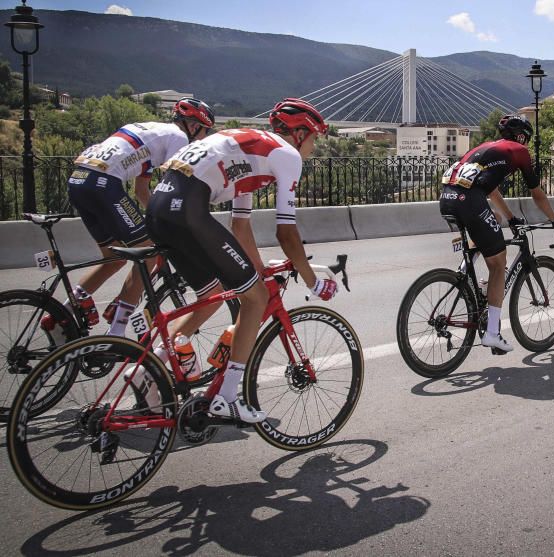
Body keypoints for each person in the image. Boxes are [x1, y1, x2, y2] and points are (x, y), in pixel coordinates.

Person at [143, 98, 337, 422]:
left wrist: (258, 270)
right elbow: (286, 234)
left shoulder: (250, 152)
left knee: (212, 293)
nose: (314, 148)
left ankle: (151, 364)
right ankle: (228, 397)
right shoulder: (287, 155)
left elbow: (240, 225)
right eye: (314, 138)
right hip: (188, 208)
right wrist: (313, 282)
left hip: (159, 208)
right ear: (299, 133)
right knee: (257, 299)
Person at [46, 98, 214, 335]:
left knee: (113, 258)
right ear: (194, 126)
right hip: (104, 184)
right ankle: (116, 333)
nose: (201, 141)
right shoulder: (178, 138)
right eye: (204, 133)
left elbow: (141, 191)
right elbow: (177, 188)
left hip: (79, 180)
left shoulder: (152, 132)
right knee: (148, 257)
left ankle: (64, 312)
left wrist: (157, 219)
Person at [439, 113, 554, 353]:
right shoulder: (518, 151)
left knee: (495, 220)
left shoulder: (484, 148)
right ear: (522, 136)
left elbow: (490, 190)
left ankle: (468, 277)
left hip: (447, 199)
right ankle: (492, 333)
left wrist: (510, 218)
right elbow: (538, 194)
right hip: (469, 201)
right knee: (499, 264)